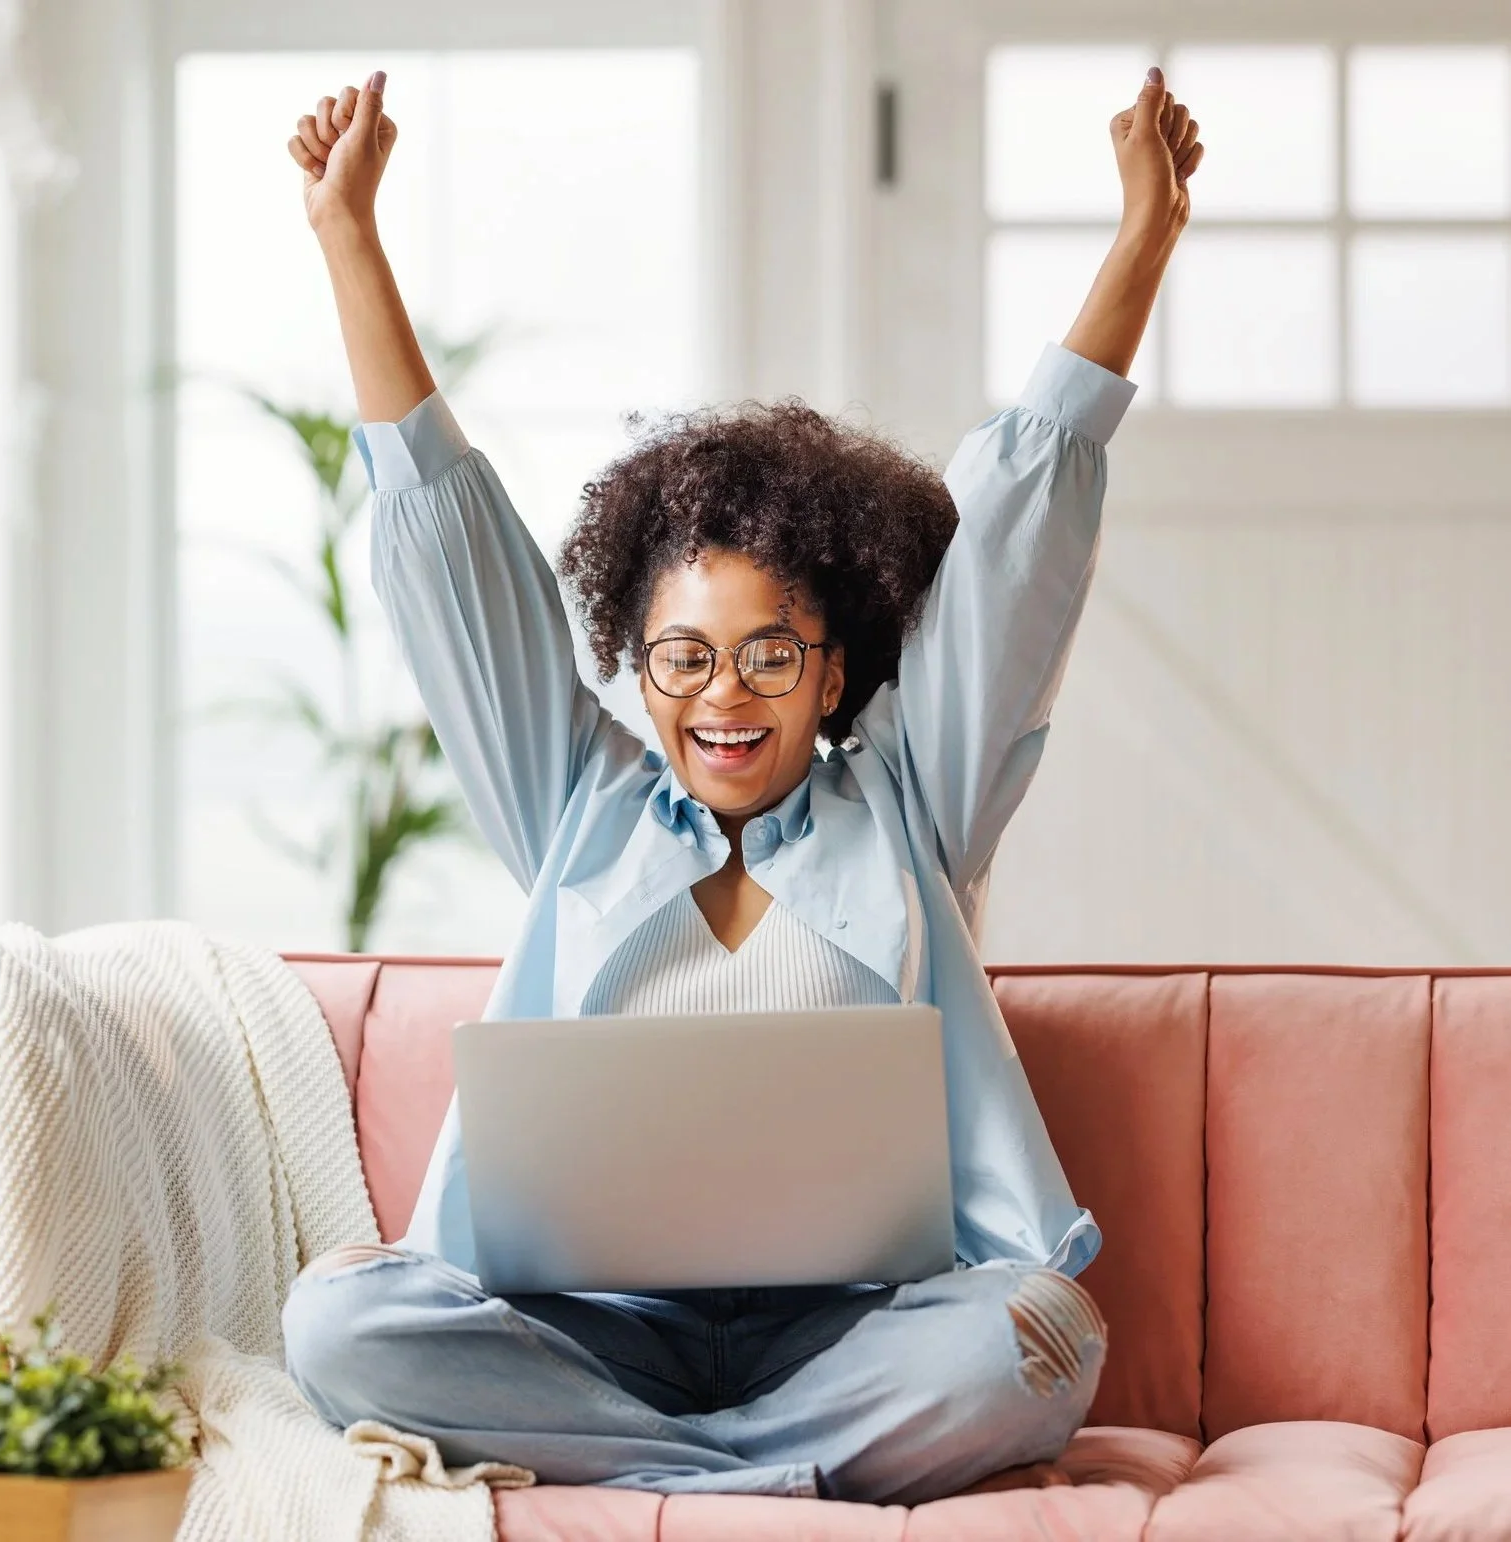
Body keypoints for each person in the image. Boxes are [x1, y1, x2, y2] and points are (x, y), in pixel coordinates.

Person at [279, 65, 1203, 1503]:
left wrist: (1139, 239)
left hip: (859, 1336)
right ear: (634, 672)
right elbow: (453, 556)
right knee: (335, 1316)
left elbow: (1014, 551)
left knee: (1037, 1337)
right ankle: (770, 1484)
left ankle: (671, 1483)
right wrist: (351, 237)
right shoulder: (577, 807)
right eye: (683, 657)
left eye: (770, 653)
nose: (724, 692)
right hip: (594, 1339)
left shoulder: (907, 807)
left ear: (835, 671)